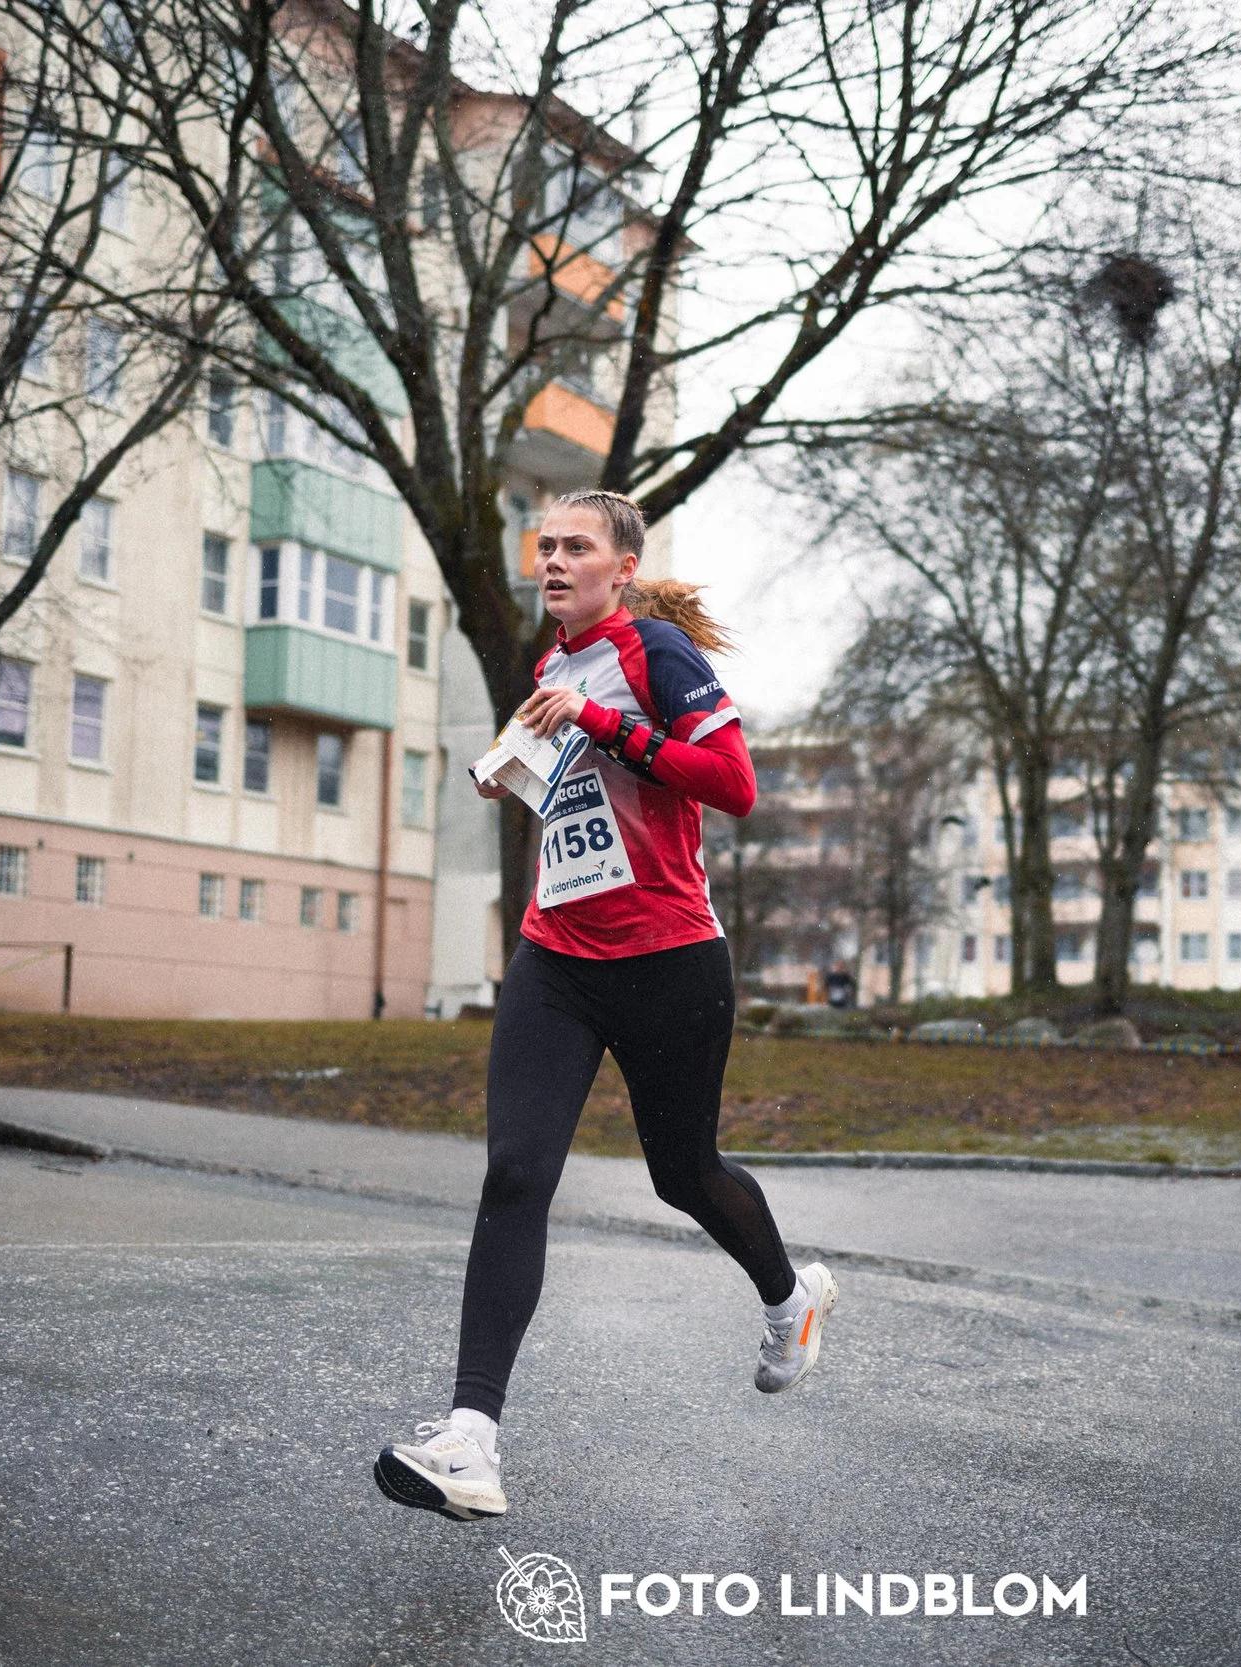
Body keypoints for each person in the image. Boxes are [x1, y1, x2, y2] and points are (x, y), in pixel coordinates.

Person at [373, 490, 836, 1524]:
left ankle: (788, 1296)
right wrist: (514, 768)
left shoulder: (655, 653)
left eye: (574, 547)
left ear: (622, 567)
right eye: (544, 546)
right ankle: (470, 1438)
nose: (552, 561)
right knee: (514, 1172)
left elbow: (732, 784)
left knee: (684, 1171)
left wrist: (605, 725)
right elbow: (569, 793)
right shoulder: (550, 667)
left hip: (670, 958)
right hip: (557, 958)